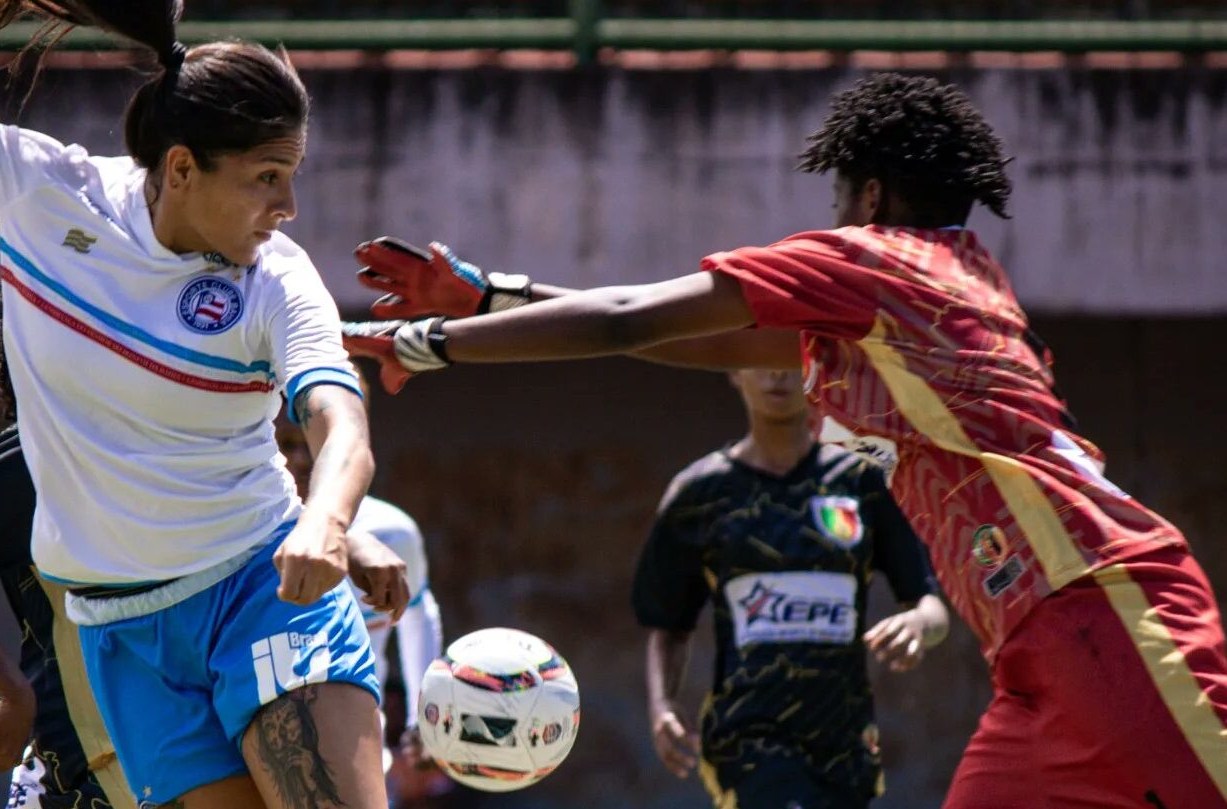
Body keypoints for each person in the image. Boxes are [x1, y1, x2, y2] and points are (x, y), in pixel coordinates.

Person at [345, 73, 1227, 808]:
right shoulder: (950, 283)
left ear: (869, 196)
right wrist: (493, 297)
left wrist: (427, 345)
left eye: (837, 193)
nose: (831, 213)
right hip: (1037, 664)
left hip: (1110, 612)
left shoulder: (869, 258)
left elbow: (626, 317)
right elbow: (688, 339)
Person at [0, 0, 386, 805]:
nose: (288, 207)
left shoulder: (275, 275)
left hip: (259, 591)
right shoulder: (44, 190)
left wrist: (325, 521)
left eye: (292, 177)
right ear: (179, 169)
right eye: (266, 177)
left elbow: (339, 421)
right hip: (121, 635)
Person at [0, 300, 413, 809]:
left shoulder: (169, 432)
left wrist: (335, 530)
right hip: (90, 764)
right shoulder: (47, 449)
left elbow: (240, 513)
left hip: (152, 747)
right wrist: (12, 691)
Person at [636, 367, 946, 809]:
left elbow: (931, 606)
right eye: (759, 357)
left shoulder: (863, 479)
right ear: (734, 370)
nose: (776, 373)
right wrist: (661, 704)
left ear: (815, 368)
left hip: (846, 745)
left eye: (790, 355)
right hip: (748, 741)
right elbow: (667, 623)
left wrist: (919, 625)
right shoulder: (699, 493)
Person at [276, 373, 444, 776]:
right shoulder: (240, 532)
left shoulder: (392, 535)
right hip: (258, 749)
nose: (299, 459)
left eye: (312, 445)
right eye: (284, 444)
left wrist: (425, 720)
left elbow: (419, 616)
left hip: (359, 754)